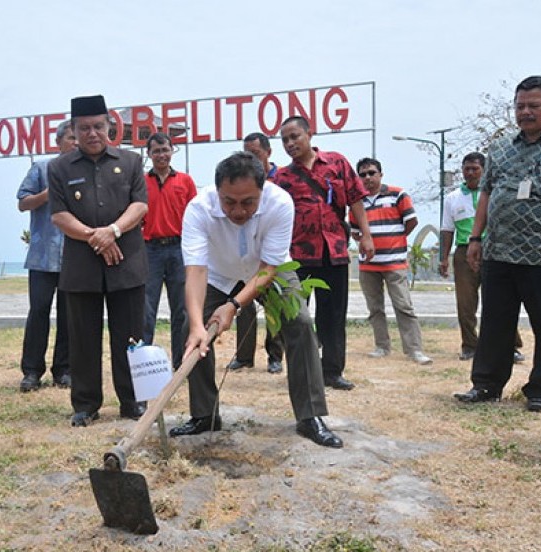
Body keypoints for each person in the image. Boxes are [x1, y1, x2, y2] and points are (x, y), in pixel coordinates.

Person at [170, 151, 342, 447]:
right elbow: (196, 270)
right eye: (229, 202)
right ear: (217, 191)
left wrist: (234, 305)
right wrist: (200, 325)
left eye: (248, 202)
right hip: (218, 273)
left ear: (262, 191)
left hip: (267, 271)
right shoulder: (198, 208)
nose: (238, 211)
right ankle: (204, 414)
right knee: (190, 329)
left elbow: (268, 270)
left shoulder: (280, 203)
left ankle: (309, 415)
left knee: (299, 322)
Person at [454, 75, 541, 413]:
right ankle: (485, 385)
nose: (525, 112)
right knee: (496, 322)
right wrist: (475, 237)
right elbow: (486, 193)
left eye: (533, 106)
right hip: (500, 252)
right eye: (519, 106)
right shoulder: (499, 149)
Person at [48, 95, 148, 426]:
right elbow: (60, 216)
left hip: (126, 261)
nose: (92, 133)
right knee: (82, 338)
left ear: (110, 127)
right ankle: (86, 404)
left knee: (130, 336)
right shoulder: (59, 167)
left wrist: (113, 231)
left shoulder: (132, 161)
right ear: (74, 131)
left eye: (98, 127)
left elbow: (140, 206)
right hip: (82, 266)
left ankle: (132, 400)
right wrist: (97, 236)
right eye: (84, 128)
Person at [275, 116, 375, 390]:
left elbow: (355, 199)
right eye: (284, 140)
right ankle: (301, 369)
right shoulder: (281, 177)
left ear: (309, 134)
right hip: (297, 256)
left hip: (334, 251)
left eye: (295, 136)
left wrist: (366, 236)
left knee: (333, 315)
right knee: (295, 317)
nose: (290, 143)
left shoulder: (337, 163)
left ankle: (332, 371)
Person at [439, 152, 524, 362]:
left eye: (475, 169)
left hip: (494, 250)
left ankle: (510, 346)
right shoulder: (453, 198)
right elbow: (446, 230)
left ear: (484, 171)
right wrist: (443, 258)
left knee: (500, 300)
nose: (470, 173)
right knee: (466, 303)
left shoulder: (496, 194)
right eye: (466, 169)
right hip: (464, 251)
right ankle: (469, 345)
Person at [350, 158, 432, 364]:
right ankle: (381, 346)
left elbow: (411, 222)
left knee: (403, 306)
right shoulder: (356, 202)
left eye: (371, 173)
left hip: (394, 262)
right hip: (368, 264)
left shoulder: (398, 195)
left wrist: (395, 239)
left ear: (380, 174)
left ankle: (414, 349)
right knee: (375, 308)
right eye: (363, 174)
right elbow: (354, 231)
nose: (367, 177)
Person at [16, 121, 76, 392]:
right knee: (38, 312)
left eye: (78, 138)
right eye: (71, 138)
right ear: (58, 141)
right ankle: (31, 371)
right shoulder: (41, 168)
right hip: (42, 257)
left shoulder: (83, 171)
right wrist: (47, 194)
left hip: (74, 256)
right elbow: (22, 202)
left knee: (69, 316)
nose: (76, 143)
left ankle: (63, 370)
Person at [226, 132, 286, 374]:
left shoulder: (281, 179)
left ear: (268, 153)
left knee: (273, 305)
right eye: (246, 154)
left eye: (255, 154)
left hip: (271, 254)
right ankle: (244, 356)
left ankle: (275, 356)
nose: (250, 158)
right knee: (242, 304)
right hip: (243, 256)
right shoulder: (238, 181)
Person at [142, 132, 196, 370]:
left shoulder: (185, 181)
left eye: (165, 150)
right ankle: (143, 364)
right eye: (156, 151)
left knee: (181, 310)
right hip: (149, 250)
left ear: (172, 150)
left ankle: (179, 363)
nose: (161, 155)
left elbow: (195, 218)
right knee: (146, 309)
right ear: (149, 154)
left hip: (178, 249)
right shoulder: (141, 182)